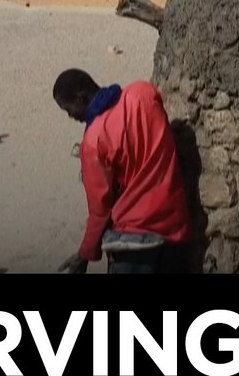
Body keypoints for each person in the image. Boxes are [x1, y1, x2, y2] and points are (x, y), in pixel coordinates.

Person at [53, 69, 191, 275]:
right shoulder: (143, 93)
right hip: (175, 227)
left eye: (68, 109)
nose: (71, 116)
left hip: (134, 237)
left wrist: (85, 255)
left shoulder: (94, 141)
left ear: (80, 98)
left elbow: (100, 210)